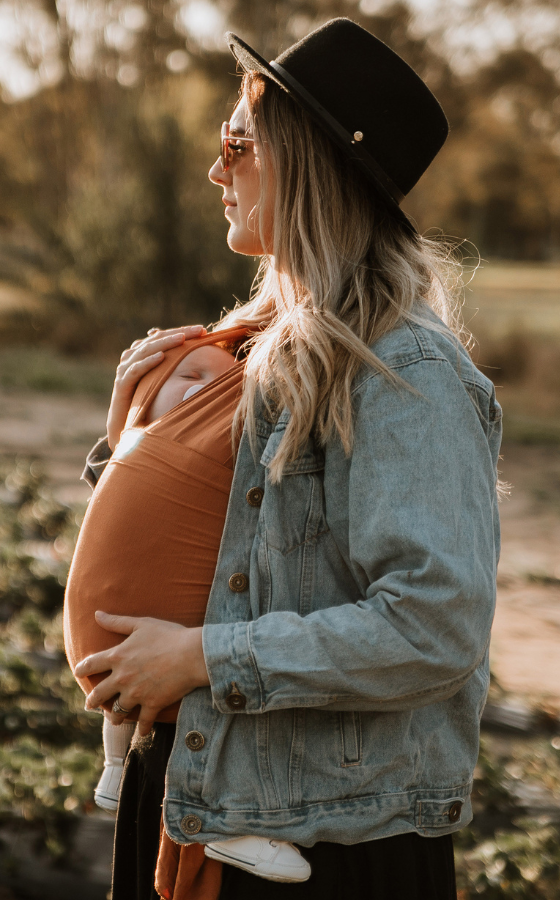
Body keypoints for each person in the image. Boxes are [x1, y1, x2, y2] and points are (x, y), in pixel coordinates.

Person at [72, 17, 501, 900]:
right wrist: (126, 443)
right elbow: (226, 547)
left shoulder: (403, 372)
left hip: (324, 844)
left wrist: (203, 659)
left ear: (310, 164)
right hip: (204, 792)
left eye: (238, 143)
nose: (215, 169)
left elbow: (436, 622)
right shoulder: (264, 343)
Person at [65, 333, 311, 882]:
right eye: (190, 378)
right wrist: (121, 435)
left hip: (128, 650)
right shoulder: (135, 442)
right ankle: (228, 819)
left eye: (223, 385)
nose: (206, 392)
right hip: (145, 661)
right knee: (213, 702)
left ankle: (130, 774)